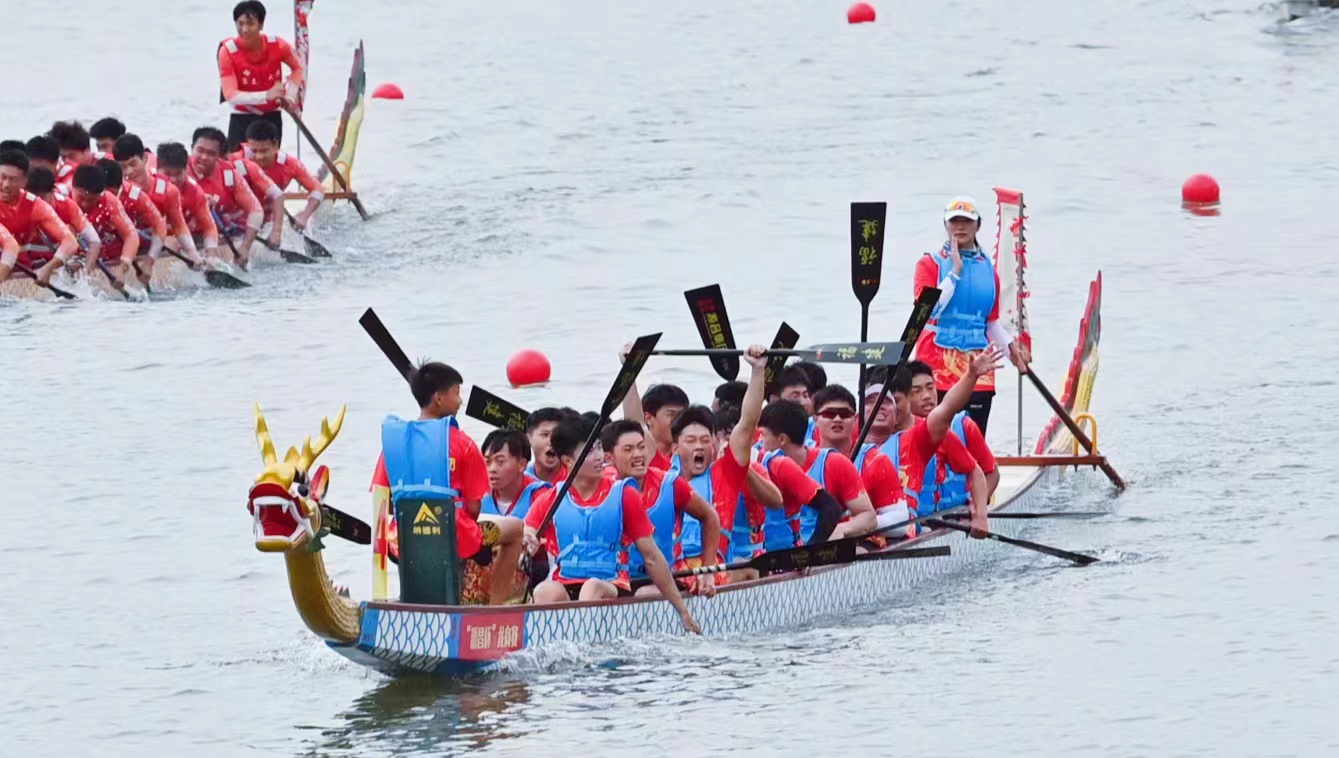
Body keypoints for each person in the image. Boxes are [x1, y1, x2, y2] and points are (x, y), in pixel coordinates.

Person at [522, 417, 701, 635]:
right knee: (543, 591)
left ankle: (581, 645)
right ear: (568, 461)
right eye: (589, 452)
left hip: (611, 583)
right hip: (565, 580)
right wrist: (528, 537)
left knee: (591, 587)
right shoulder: (552, 497)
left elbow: (652, 556)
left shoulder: (624, 494)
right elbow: (527, 529)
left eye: (598, 448)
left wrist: (681, 609)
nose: (599, 457)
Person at [371, 362, 525, 606]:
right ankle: (495, 610)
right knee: (516, 529)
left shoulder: (393, 445)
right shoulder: (462, 443)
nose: (461, 401)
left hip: (401, 540)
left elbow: (382, 503)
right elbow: (474, 509)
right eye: (457, 393)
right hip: (453, 535)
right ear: (439, 398)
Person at [913, 195, 1031, 433]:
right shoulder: (929, 265)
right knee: (934, 438)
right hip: (937, 367)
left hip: (978, 366)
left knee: (973, 437)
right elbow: (926, 312)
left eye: (966, 221)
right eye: (954, 221)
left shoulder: (989, 272)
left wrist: (1011, 351)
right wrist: (955, 272)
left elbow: (990, 324)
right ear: (945, 225)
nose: (960, 227)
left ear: (977, 225)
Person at [871, 351, 1002, 537]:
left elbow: (948, 406)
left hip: (934, 520)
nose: (926, 396)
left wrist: (979, 513)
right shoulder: (860, 434)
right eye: (917, 391)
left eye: (930, 388)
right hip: (892, 524)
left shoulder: (939, 432)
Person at [600, 419, 719, 597]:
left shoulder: (671, 485)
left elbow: (710, 516)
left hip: (671, 577)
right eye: (628, 449)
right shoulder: (603, 489)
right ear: (609, 458)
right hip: (620, 578)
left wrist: (708, 571)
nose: (638, 454)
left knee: (643, 594)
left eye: (641, 447)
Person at [758, 399, 875, 543]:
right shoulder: (762, 464)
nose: (759, 442)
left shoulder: (834, 464)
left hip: (824, 551)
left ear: (782, 439)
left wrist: (841, 530)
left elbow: (869, 517)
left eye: (763, 435)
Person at [811, 384, 908, 540]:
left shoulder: (876, 461)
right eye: (829, 414)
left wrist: (850, 527)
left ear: (855, 419)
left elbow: (901, 523)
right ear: (815, 419)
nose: (837, 419)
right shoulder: (804, 460)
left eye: (844, 414)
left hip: (860, 544)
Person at [218, 0, 305, 151]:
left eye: (250, 24)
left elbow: (298, 68)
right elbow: (230, 95)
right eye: (240, 24)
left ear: (261, 25)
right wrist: (266, 95)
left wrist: (290, 96)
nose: (244, 29)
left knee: (269, 162)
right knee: (238, 166)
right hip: (242, 115)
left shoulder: (278, 45)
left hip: (271, 115)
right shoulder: (226, 52)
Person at [113, 135, 205, 269]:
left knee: (170, 241)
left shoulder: (169, 191)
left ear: (144, 159)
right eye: (122, 167)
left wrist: (193, 254)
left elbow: (178, 225)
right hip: (125, 244)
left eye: (133, 164)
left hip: (153, 241)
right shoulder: (117, 191)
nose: (129, 171)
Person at [188, 127, 262, 267]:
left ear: (219, 156)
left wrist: (245, 247)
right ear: (191, 148)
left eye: (211, 153)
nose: (203, 157)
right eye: (200, 150)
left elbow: (256, 210)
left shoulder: (228, 174)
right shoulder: (179, 170)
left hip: (217, 231)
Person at [0, 151, 76, 285]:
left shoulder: (35, 205)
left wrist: (48, 269)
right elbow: (10, 245)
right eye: (2, 177)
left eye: (12, 179)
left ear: (24, 182)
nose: (5, 185)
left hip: (17, 271)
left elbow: (70, 242)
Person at [240, 119, 323, 231]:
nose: (259, 157)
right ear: (247, 145)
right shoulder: (237, 161)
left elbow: (318, 189)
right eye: (254, 151)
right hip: (239, 220)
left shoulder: (290, 164)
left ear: (276, 146)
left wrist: (304, 216)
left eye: (264, 151)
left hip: (268, 221)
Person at [99, 159, 167, 287]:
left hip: (138, 245)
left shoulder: (135, 196)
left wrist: (149, 262)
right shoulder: (86, 194)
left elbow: (159, 225)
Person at [154, 142, 223, 262]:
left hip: (184, 237)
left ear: (186, 170)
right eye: (168, 174)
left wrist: (212, 255)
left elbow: (209, 227)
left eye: (178, 174)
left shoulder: (196, 192)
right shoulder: (146, 190)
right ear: (157, 170)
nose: (173, 180)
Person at [69, 164, 139, 280]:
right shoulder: (61, 197)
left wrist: (124, 266)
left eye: (91, 200)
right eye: (81, 198)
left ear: (100, 194)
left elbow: (131, 235)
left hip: (103, 254)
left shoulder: (109, 201)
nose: (85, 204)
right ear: (72, 187)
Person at [24, 167, 100, 270]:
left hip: (58, 266)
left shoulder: (68, 206)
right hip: (25, 268)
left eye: (42, 199)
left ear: (53, 191)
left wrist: (87, 269)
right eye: (32, 198)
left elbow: (94, 240)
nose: (37, 204)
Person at [480, 430, 551, 519]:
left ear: (521, 465)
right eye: (487, 462)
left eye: (500, 461)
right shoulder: (477, 496)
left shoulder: (542, 497)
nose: (492, 469)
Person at [637, 384, 688, 471]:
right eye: (671, 414)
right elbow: (635, 422)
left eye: (682, 415)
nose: (679, 421)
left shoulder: (689, 458)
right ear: (649, 419)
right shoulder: (640, 457)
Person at [524, 407, 578, 483]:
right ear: (529, 439)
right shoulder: (518, 479)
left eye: (557, 435)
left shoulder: (576, 480)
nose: (551, 441)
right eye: (545, 435)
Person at [49, 121, 103, 186]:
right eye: (63, 157)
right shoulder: (58, 174)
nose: (67, 161)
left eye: (71, 156)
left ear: (87, 152)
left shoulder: (106, 166)